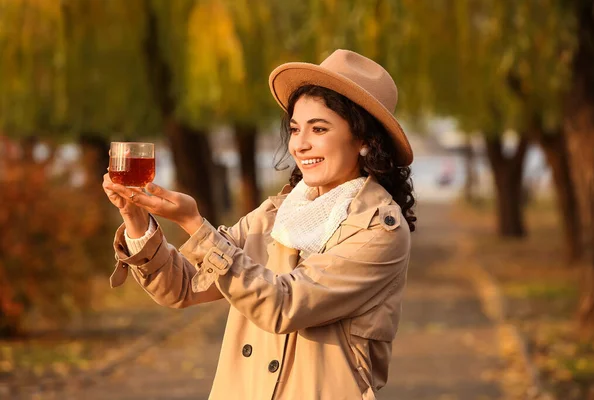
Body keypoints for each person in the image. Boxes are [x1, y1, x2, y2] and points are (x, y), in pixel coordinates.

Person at [103, 49, 416, 400]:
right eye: (296, 129)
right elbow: (184, 287)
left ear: (365, 141)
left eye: (319, 128)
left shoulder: (379, 229)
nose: (300, 144)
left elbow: (283, 305)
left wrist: (194, 223)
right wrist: (136, 220)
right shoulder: (276, 213)